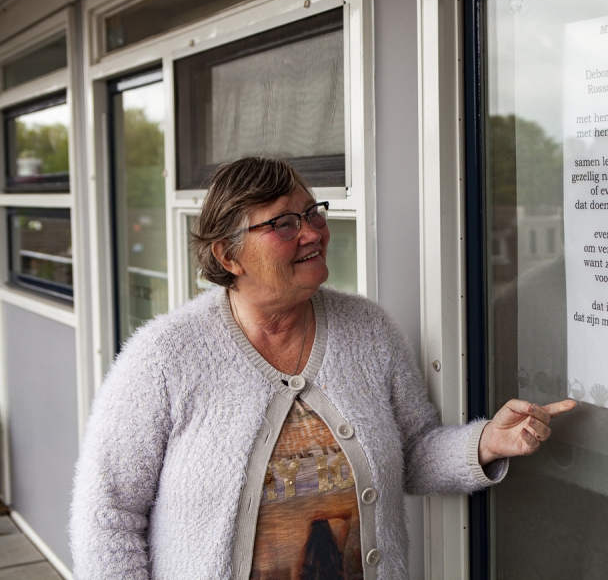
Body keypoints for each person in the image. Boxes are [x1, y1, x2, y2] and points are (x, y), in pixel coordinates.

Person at [69, 157, 575, 580]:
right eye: (284, 223)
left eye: (313, 213)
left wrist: (486, 443)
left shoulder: (368, 328)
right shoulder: (164, 356)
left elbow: (412, 452)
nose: (312, 232)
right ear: (229, 254)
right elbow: (107, 515)